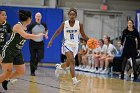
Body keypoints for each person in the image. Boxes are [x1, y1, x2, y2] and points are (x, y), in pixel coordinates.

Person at [0, 10, 44, 90]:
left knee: (21, 71)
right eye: (31, 18)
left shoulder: (26, 27)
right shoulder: (17, 26)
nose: (31, 19)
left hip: (17, 51)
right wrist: (37, 36)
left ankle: (6, 79)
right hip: (8, 50)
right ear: (28, 18)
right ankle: (5, 78)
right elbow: (25, 35)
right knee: (7, 72)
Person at [47, 8, 89, 85]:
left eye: (73, 14)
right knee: (72, 60)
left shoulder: (79, 24)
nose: (72, 16)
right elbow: (58, 31)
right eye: (70, 14)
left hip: (75, 45)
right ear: (68, 15)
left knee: (68, 64)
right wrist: (51, 40)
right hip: (66, 44)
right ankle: (74, 80)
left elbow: (83, 35)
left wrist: (89, 40)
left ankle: (59, 67)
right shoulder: (64, 23)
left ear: (76, 15)